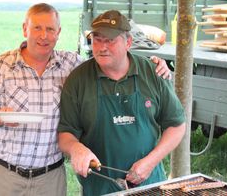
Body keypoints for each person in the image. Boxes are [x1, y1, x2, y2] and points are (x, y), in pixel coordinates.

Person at [0, 3, 171, 196]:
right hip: (7, 172)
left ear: (58, 32)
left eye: (50, 29)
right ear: (25, 28)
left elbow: (109, 59)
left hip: (50, 175)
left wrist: (153, 65)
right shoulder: (1, 65)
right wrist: (2, 116)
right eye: (37, 28)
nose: (44, 35)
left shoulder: (71, 64)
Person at [58, 10, 186, 196]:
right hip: (100, 187)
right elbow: (65, 134)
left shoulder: (152, 73)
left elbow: (176, 125)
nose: (102, 47)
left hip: (148, 184)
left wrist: (150, 162)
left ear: (128, 42)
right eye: (97, 39)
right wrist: (76, 148)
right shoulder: (78, 79)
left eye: (110, 40)